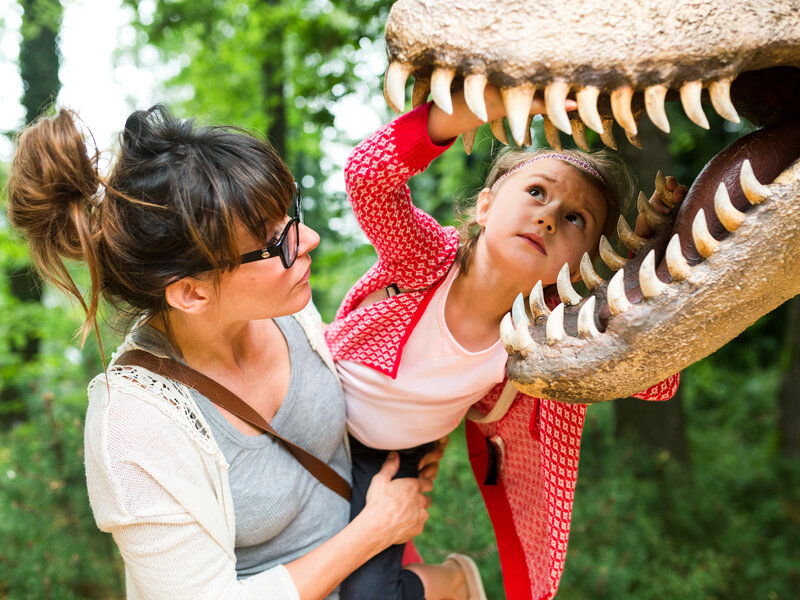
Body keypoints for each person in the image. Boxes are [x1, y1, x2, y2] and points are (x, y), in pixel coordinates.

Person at [5, 104, 447, 600]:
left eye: (290, 214)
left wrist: (408, 445)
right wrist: (375, 529)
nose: (310, 241)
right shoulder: (132, 424)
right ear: (192, 292)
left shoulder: (285, 308)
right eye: (273, 243)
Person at [325, 85, 683, 600]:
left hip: (395, 456)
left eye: (575, 219)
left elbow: (659, 384)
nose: (549, 216)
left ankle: (454, 582)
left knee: (369, 595)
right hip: (313, 408)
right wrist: (489, 105)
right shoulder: (427, 259)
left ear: (583, 264)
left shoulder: (545, 334)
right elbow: (368, 176)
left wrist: (637, 278)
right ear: (486, 206)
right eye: (536, 191)